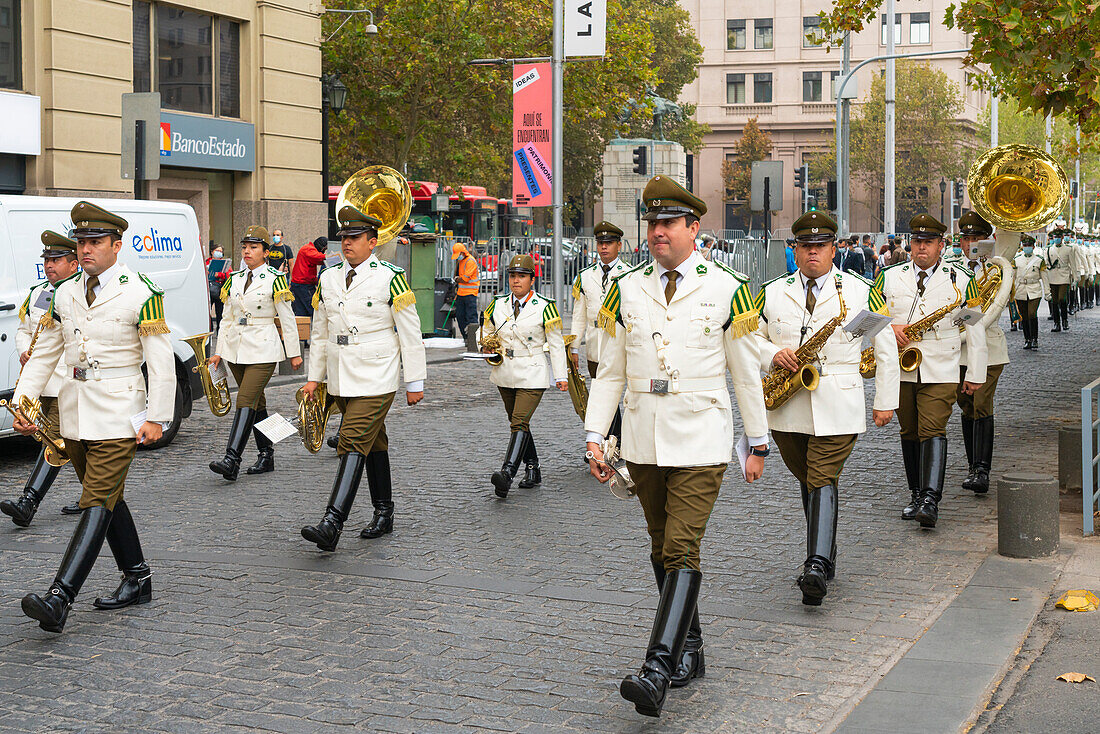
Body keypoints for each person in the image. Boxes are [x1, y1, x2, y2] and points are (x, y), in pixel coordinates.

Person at [585, 176, 770, 718]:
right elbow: (611, 372)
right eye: (652, 223)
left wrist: (756, 441)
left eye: (668, 223)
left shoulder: (730, 287)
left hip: (701, 439)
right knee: (661, 545)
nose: (658, 232)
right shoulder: (627, 288)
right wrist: (595, 435)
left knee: (681, 548)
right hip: (643, 440)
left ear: (695, 228)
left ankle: (657, 668)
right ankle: (691, 646)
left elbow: (744, 374)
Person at [12, 201, 175, 633]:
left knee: (96, 498)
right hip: (76, 410)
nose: (86, 250)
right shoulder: (64, 292)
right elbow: (47, 350)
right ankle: (138, 577)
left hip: (122, 410)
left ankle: (59, 598)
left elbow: (159, 362)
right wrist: (24, 400)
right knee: (106, 496)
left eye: (95, 242)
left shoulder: (141, 290)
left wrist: (158, 417)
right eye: (81, 242)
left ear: (117, 246)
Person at [754, 211, 899, 606]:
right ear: (795, 250)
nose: (813, 252)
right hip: (787, 405)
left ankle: (816, 564)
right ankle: (826, 551)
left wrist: (886, 401)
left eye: (820, 246)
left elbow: (884, 347)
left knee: (820, 475)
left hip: (839, 397)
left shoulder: (858, 290)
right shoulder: (770, 291)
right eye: (805, 246)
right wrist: (772, 353)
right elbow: (749, 339)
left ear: (834, 248)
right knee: (809, 478)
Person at [301, 204, 426, 550]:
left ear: (373, 242)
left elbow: (410, 332)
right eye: (344, 238)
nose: (347, 244)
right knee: (374, 443)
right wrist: (315, 378)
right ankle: (384, 511)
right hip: (342, 374)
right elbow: (321, 331)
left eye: (355, 238)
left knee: (352, 441)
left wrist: (414, 381)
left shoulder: (389, 276)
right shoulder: (327, 278)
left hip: (377, 373)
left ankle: (332, 522)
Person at [874, 213, 985, 528]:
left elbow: (973, 327)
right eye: (917, 241)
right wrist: (889, 328)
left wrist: (975, 372)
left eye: (928, 242)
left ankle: (930, 500)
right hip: (901, 367)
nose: (921, 248)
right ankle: (915, 493)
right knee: (909, 430)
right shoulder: (889, 276)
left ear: (941, 244)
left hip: (941, 366)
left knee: (932, 428)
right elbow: (868, 318)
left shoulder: (960, 278)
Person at [208, 226, 303, 481]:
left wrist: (294, 352)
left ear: (266, 252)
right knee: (257, 404)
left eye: (254, 247)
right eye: (244, 247)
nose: (247, 251)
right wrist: (218, 352)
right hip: (235, 350)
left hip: (263, 348)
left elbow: (287, 317)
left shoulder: (275, 278)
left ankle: (232, 459)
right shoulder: (235, 278)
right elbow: (226, 318)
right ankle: (266, 454)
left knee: (245, 400)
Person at [0, 230, 82, 526]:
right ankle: (97, 495)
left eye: (57, 259)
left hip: (68, 380)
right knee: (70, 442)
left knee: (56, 438)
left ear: (74, 264)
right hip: (41, 379)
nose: (50, 265)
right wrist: (24, 352)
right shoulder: (38, 293)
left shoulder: (81, 294)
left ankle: (28, 502)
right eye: (47, 260)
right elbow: (25, 332)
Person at [479, 254, 567, 498]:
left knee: (519, 420)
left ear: (532, 279)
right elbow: (485, 329)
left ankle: (507, 474)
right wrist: (484, 346)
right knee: (519, 423)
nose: (516, 281)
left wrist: (561, 376)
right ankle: (533, 468)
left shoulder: (545, 307)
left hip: (533, 370)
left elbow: (556, 344)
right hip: (505, 370)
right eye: (512, 276)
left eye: (522, 276)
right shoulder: (497, 304)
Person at [955, 211, 1013, 496]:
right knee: (966, 404)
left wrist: (964, 318)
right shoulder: (952, 268)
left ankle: (982, 470)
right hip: (957, 349)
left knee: (980, 403)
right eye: (965, 238)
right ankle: (972, 466)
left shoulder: (998, 268)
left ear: (986, 240)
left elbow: (997, 306)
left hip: (989, 348)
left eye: (975, 238)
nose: (969, 244)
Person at [570, 221, 630, 445]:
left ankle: (614, 439)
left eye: (609, 243)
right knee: (600, 392)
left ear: (619, 245)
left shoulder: (629, 275)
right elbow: (579, 315)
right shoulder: (586, 276)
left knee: (616, 392)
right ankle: (611, 440)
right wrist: (574, 347)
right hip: (595, 345)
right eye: (601, 243)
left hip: (619, 343)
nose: (604, 247)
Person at [1042, 218, 1079, 332]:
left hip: (1064, 277)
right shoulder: (1048, 250)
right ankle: (1056, 323)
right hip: (1052, 277)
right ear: (1053, 238)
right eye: (1055, 237)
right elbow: (1046, 265)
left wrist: (1075, 278)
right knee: (1054, 301)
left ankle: (1064, 320)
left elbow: (1073, 264)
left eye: (1059, 237)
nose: (1057, 239)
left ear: (1062, 238)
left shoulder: (1069, 249)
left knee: (1062, 299)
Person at [1013, 235, 1045, 350]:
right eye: (1025, 245)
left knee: (1032, 313)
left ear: (1033, 246)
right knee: (1024, 315)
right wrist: (1010, 292)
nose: (1027, 247)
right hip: (1021, 289)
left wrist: (1047, 292)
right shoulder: (1017, 259)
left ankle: (1035, 338)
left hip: (1034, 289)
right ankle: (1027, 339)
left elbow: (1044, 277)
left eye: (1029, 245)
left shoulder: (1039, 260)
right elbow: (1013, 277)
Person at [289, 236, 328, 317]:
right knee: (315, 310)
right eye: (325, 249)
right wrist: (334, 256)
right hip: (304, 285)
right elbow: (320, 258)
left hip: (299, 284)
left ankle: (304, 329)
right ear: (322, 247)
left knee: (301, 313)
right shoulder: (308, 249)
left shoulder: (307, 248)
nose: (324, 252)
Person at [452, 242, 481, 338]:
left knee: (471, 318)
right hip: (461, 294)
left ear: (463, 253)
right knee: (460, 316)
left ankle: (473, 339)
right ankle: (466, 337)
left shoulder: (470, 261)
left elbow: (465, 279)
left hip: (470, 294)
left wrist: (456, 279)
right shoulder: (461, 261)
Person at [205, 243, 229, 330]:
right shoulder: (206, 262)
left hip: (220, 291)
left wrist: (219, 274)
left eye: (221, 251)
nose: (219, 253)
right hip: (209, 290)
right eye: (217, 251)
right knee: (207, 313)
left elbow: (228, 274)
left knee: (220, 313)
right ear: (212, 252)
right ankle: (210, 330)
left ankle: (220, 331)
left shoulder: (224, 262)